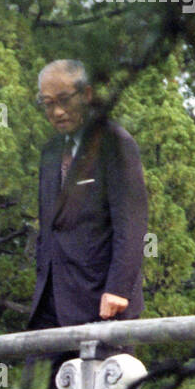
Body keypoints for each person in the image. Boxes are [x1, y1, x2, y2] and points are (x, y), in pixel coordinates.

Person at [29, 60, 147, 348]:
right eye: (47, 103)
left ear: (87, 95)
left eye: (64, 100)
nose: (57, 111)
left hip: (103, 304)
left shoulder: (116, 144)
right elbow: (49, 228)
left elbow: (131, 224)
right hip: (51, 304)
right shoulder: (51, 152)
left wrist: (118, 289)